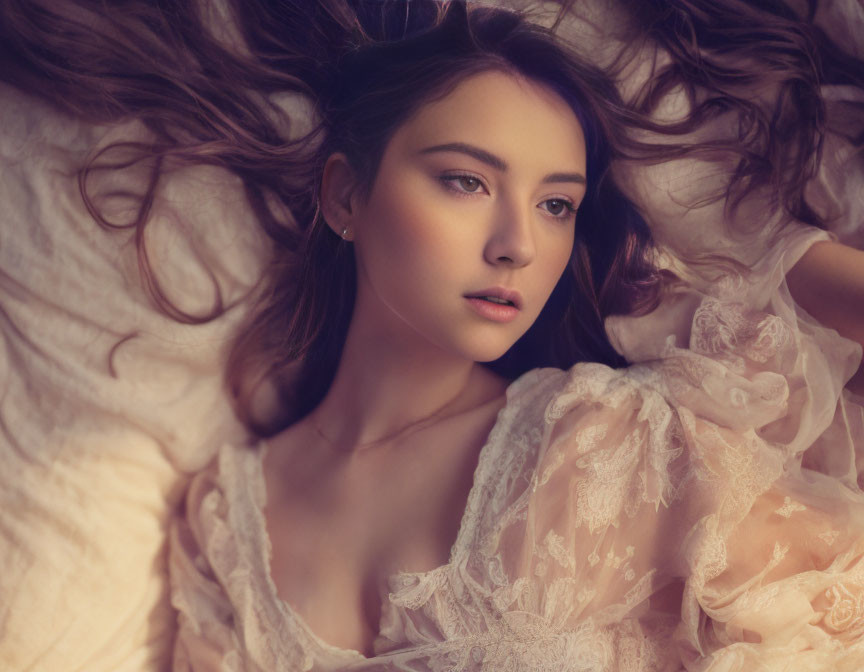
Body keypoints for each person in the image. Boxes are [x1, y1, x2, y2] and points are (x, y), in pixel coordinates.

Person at [1, 0, 863, 670]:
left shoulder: (596, 444)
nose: (518, 244)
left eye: (556, 204)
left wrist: (772, 253)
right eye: (465, 181)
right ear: (344, 197)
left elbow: (841, 613)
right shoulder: (225, 525)